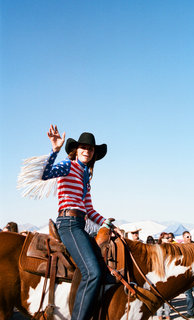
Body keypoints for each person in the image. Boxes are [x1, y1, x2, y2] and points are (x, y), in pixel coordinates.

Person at [41, 125, 122, 320]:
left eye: (90, 149)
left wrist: (108, 224)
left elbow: (90, 210)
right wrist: (55, 150)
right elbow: (45, 174)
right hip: (68, 223)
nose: (87, 151)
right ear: (76, 150)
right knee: (92, 272)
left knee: (104, 271)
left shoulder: (85, 177)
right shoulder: (68, 165)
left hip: (80, 225)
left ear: (94, 154)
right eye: (83, 147)